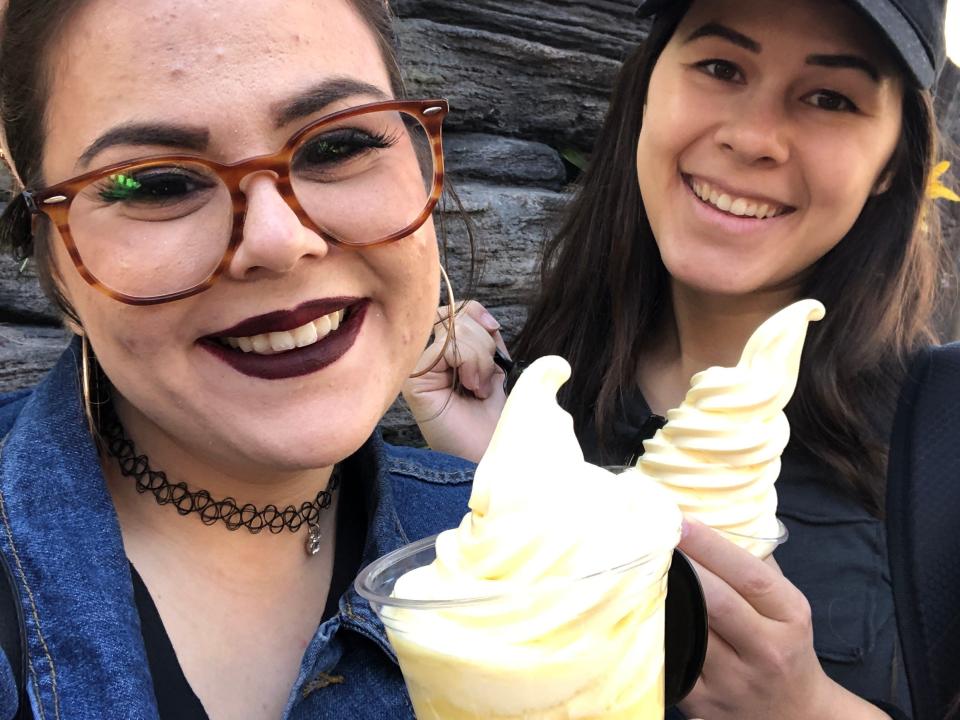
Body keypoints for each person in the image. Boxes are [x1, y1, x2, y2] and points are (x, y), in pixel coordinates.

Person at [404, 0, 957, 717]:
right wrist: (503, 475)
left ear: (892, 163)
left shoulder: (942, 438)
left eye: (830, 98)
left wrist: (807, 707)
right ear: (646, 90)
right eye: (721, 67)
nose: (755, 137)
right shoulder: (547, 393)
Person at [0, 0, 475, 717]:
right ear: (55, 267)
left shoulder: (511, 541)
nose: (280, 242)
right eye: (155, 184)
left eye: (338, 144)